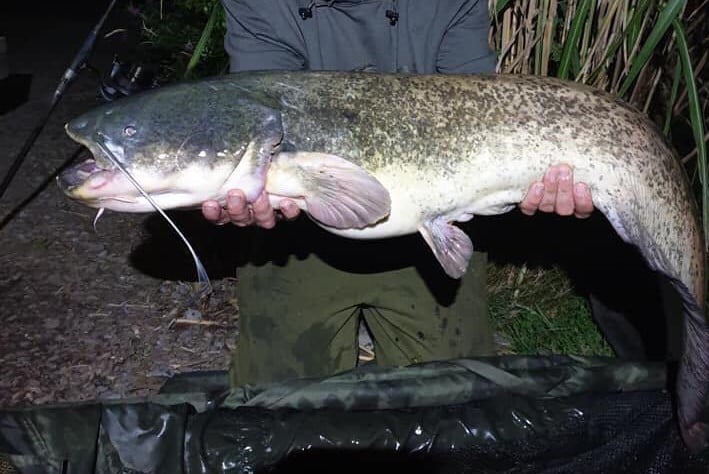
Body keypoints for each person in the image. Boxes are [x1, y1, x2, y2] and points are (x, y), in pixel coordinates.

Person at [203, 0, 595, 386]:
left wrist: (540, 175)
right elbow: (259, 103)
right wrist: (250, 184)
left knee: (456, 401)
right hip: (299, 237)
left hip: (427, 226)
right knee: (275, 409)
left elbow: (481, 103)